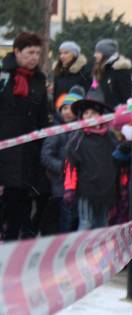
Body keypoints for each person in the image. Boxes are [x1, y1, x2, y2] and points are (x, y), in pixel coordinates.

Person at [0, 32, 49, 240]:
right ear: (17, 52)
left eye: (38, 53)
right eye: (30, 52)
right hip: (5, 154)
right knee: (7, 204)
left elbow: (42, 118)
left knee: (23, 207)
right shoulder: (3, 77)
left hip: (29, 155)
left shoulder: (39, 80)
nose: (34, 57)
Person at [65, 92, 120, 230]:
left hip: (106, 190)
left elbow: (117, 162)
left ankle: (98, 252)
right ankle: (80, 251)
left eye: (93, 112)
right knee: (86, 223)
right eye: (86, 113)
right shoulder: (77, 138)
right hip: (86, 190)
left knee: (102, 225)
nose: (89, 116)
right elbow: (70, 164)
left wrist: (120, 187)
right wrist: (69, 188)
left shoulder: (110, 137)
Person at [41, 86, 84, 234]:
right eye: (64, 108)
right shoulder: (57, 131)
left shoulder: (82, 130)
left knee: (76, 219)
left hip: (80, 186)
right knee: (65, 220)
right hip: (61, 185)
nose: (66, 111)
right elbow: (46, 156)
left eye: (70, 108)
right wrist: (63, 168)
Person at [92, 39, 132, 108]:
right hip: (100, 111)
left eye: (98, 52)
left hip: (115, 113)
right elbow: (94, 89)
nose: (95, 55)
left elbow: (126, 96)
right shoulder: (99, 70)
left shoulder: (120, 70)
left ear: (106, 53)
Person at [52, 41, 92, 106]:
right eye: (60, 53)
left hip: (77, 110)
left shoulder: (84, 72)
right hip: (59, 110)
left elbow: (88, 93)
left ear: (74, 54)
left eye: (66, 53)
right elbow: (55, 95)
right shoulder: (59, 71)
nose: (62, 56)